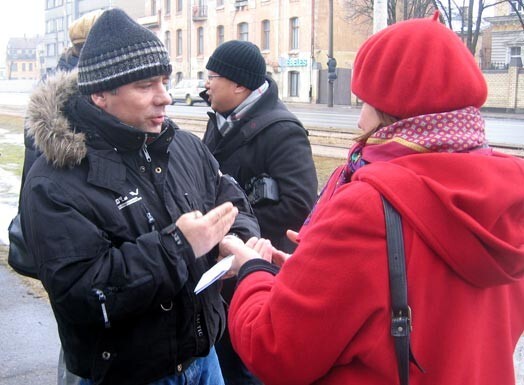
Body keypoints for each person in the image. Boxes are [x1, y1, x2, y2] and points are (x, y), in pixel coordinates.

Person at [220, 13, 524, 385]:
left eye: (365, 101)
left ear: (393, 110)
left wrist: (253, 271)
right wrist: (312, 273)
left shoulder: (369, 206)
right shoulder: (512, 190)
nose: (359, 121)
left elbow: (274, 349)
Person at [20, 8, 259, 385]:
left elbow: (231, 200)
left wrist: (235, 240)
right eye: (146, 85)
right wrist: (180, 245)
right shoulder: (55, 180)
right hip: (129, 375)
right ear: (101, 93)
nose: (165, 98)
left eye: (165, 81)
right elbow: (82, 293)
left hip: (204, 361)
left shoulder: (182, 145)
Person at [200, 40, 318, 384]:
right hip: (223, 270)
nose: (207, 84)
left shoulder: (282, 130)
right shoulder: (220, 121)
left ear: (239, 84)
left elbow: (299, 203)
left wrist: (236, 232)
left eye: (213, 77)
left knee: (249, 366)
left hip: (259, 268)